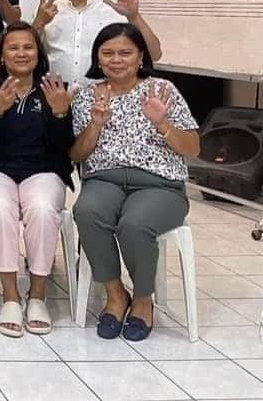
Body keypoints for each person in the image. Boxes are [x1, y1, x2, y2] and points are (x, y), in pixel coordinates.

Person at [70, 22, 199, 342]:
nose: (116, 60)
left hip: (159, 185)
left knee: (135, 224)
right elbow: (76, 153)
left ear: (141, 56)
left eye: (125, 53)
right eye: (108, 53)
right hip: (104, 179)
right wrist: (96, 125)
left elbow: (193, 148)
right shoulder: (88, 95)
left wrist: (162, 123)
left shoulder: (163, 90)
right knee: (87, 212)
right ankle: (116, 294)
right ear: (97, 58)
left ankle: (143, 300)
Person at [0, 21, 75, 338]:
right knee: (0, 207)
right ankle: (11, 295)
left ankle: (38, 295)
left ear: (39, 53)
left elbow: (64, 147)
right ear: (1, 55)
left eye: (28, 47)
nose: (21, 53)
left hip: (43, 170)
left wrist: (59, 115)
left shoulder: (54, 87)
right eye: (12, 47)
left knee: (42, 209)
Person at [33, 0, 163, 90]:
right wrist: (38, 23)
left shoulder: (116, 11)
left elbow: (155, 54)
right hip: (56, 97)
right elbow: (29, 54)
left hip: (103, 99)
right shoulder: (48, 11)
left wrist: (134, 17)